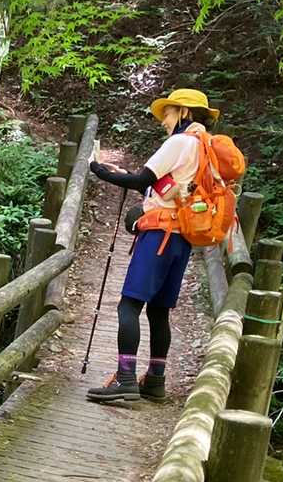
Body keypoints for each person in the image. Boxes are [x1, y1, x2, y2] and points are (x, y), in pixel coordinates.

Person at [85, 87, 221, 403]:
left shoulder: (179, 142)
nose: (163, 120)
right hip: (182, 238)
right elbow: (165, 189)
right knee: (159, 312)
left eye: (168, 113)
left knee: (129, 306)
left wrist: (99, 170)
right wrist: (128, 176)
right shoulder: (207, 147)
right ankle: (155, 381)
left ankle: (126, 380)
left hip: (159, 236)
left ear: (184, 112)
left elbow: (141, 180)